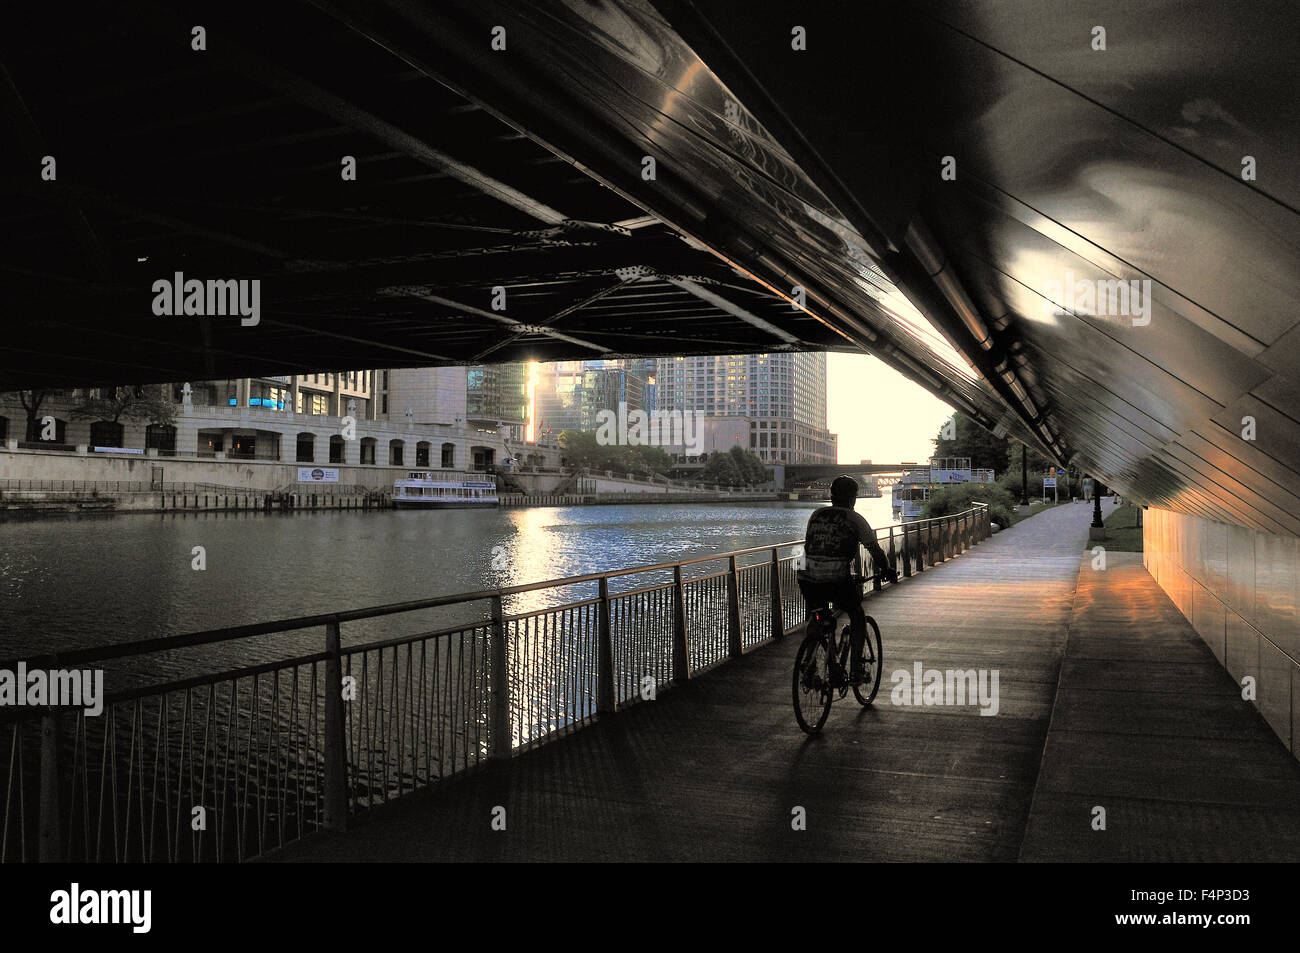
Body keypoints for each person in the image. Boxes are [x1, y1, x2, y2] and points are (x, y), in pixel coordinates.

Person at [797, 476, 898, 683]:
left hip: (805, 575)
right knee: (857, 615)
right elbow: (874, 550)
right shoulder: (855, 519)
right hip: (835, 578)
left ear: (831, 495)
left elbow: (818, 548)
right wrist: (886, 569)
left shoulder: (816, 515)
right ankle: (856, 670)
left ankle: (809, 665)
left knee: (817, 615)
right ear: (854, 497)